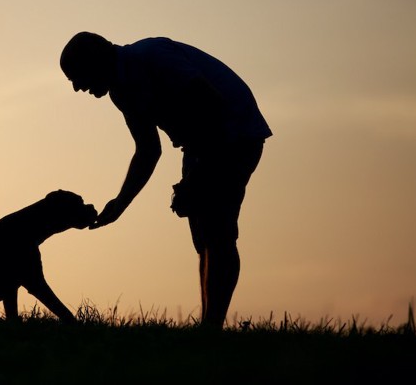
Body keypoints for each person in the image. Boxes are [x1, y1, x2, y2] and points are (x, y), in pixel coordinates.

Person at [59, 32, 272, 328]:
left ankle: (211, 330)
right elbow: (148, 150)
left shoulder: (151, 56)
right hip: (199, 144)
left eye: (77, 77)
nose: (77, 88)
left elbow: (211, 104)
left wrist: (198, 174)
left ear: (96, 59)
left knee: (217, 232)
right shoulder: (121, 91)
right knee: (203, 237)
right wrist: (120, 204)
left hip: (234, 133)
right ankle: (209, 327)